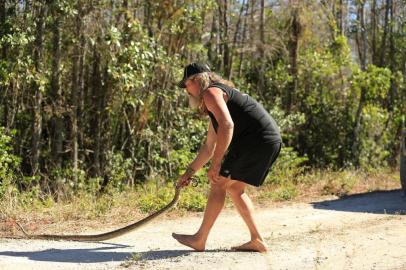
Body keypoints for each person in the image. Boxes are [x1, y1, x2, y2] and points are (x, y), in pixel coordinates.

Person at [172, 62, 282, 253]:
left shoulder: (210, 93)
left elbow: (228, 126)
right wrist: (188, 173)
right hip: (267, 140)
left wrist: (217, 164)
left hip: (257, 141)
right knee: (235, 188)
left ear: (197, 80)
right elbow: (208, 147)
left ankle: (200, 239)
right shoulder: (216, 98)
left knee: (219, 183)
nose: (186, 90)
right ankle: (257, 240)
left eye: (187, 84)